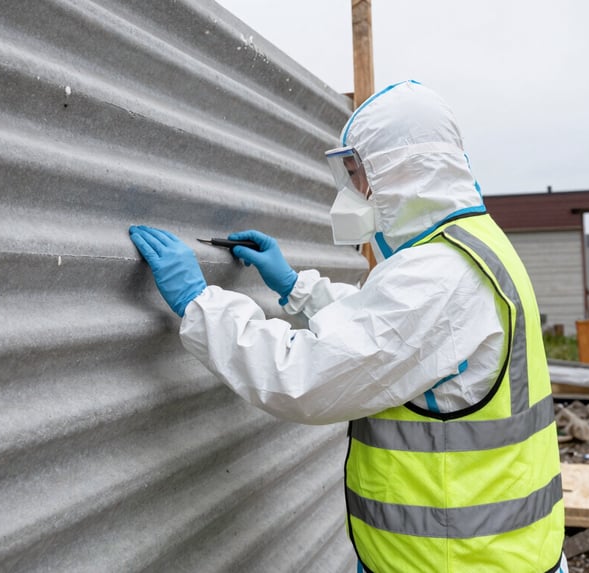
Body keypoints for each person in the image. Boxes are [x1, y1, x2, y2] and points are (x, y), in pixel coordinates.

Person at [129, 80, 566, 572]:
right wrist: (296, 287)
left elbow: (307, 377)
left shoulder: (437, 275)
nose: (354, 191)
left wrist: (200, 303)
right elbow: (392, 333)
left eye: (358, 173)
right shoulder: (472, 246)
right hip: (500, 553)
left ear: (400, 170)